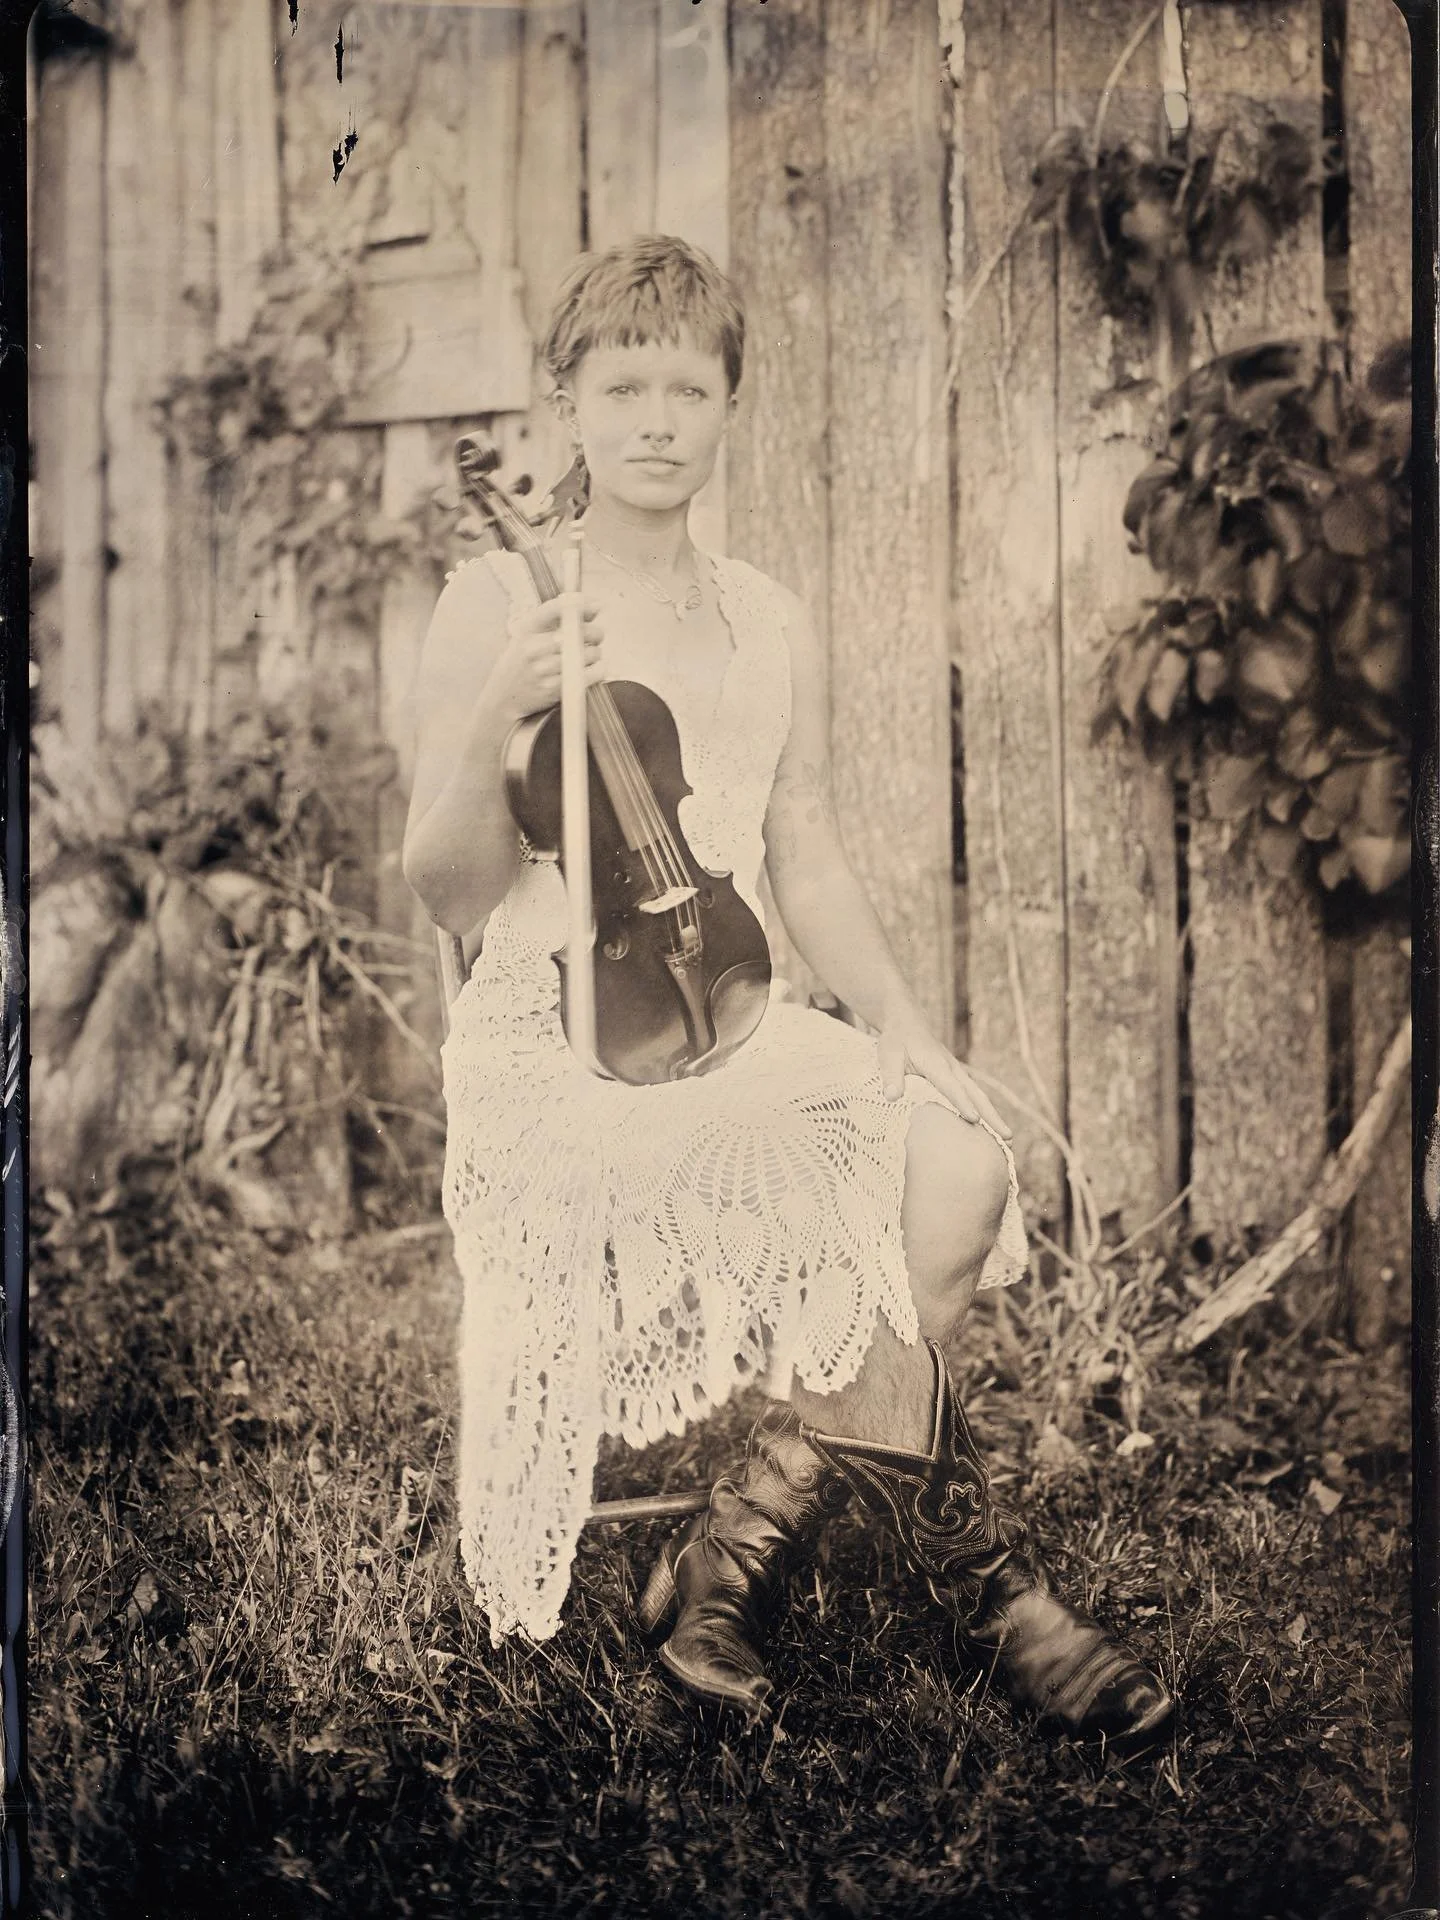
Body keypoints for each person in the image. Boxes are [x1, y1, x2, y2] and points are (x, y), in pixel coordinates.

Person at [403, 235, 1172, 1749]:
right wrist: (504, 699)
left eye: (689, 386)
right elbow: (446, 890)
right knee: (896, 1179)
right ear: (567, 405)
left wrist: (899, 1024)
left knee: (959, 1164)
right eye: (623, 385)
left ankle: (727, 1542)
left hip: (726, 1013)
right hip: (552, 1048)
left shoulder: (766, 615)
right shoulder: (495, 597)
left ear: (728, 404)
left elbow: (801, 846)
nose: (656, 419)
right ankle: (982, 1585)